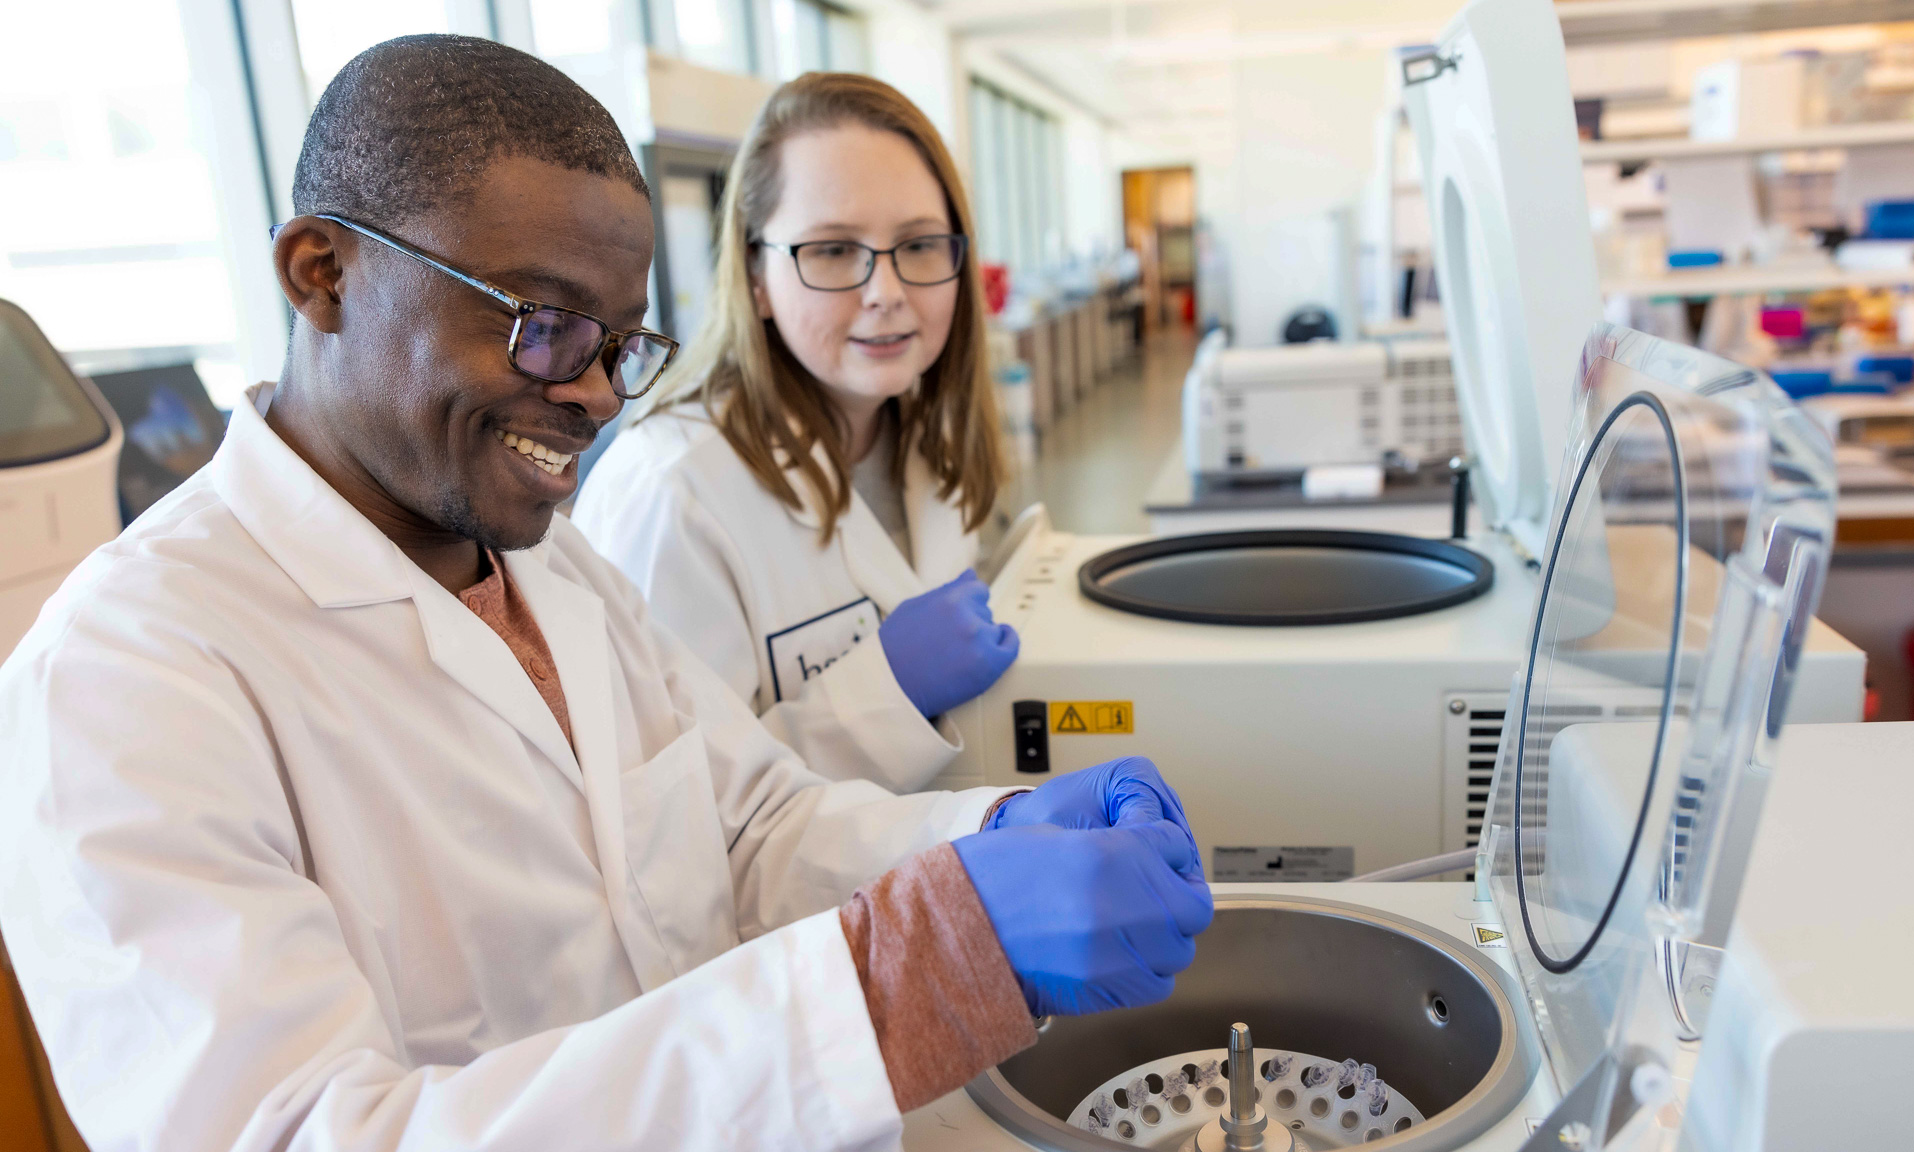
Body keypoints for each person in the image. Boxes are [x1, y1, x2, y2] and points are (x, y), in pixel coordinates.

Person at [0, 37, 1210, 1152]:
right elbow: (305, 1133)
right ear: (322, 273)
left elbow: (746, 830)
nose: (591, 397)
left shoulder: (547, 563)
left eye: (620, 346)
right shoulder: (123, 678)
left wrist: (984, 840)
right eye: (541, 327)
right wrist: (899, 977)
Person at [574, 73, 1015, 793]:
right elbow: (667, 810)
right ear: (754, 277)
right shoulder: (671, 494)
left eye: (920, 245)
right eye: (833, 250)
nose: (887, 291)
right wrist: (886, 695)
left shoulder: (928, 442)